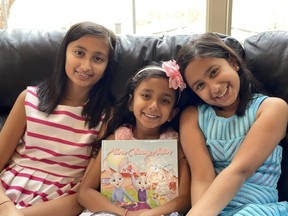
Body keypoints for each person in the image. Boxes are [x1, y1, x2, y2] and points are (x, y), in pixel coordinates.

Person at [0, 21, 116, 216]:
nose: (86, 66)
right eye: (79, 53)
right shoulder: (27, 99)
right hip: (6, 193)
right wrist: (6, 207)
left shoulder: (106, 116)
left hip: (58, 205)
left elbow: (83, 195)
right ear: (64, 54)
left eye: (98, 58)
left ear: (107, 66)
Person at [176, 32, 288, 215]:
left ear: (233, 62)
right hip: (211, 208)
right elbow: (202, 177)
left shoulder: (272, 108)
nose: (214, 88)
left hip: (259, 209)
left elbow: (240, 170)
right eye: (200, 85)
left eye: (214, 72)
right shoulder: (192, 116)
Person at [77, 60, 191, 216]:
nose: (153, 105)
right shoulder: (117, 140)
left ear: (172, 113)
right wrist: (126, 214)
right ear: (131, 102)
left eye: (164, 101)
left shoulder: (175, 144)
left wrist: (150, 214)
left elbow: (185, 199)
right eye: (146, 95)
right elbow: (85, 192)